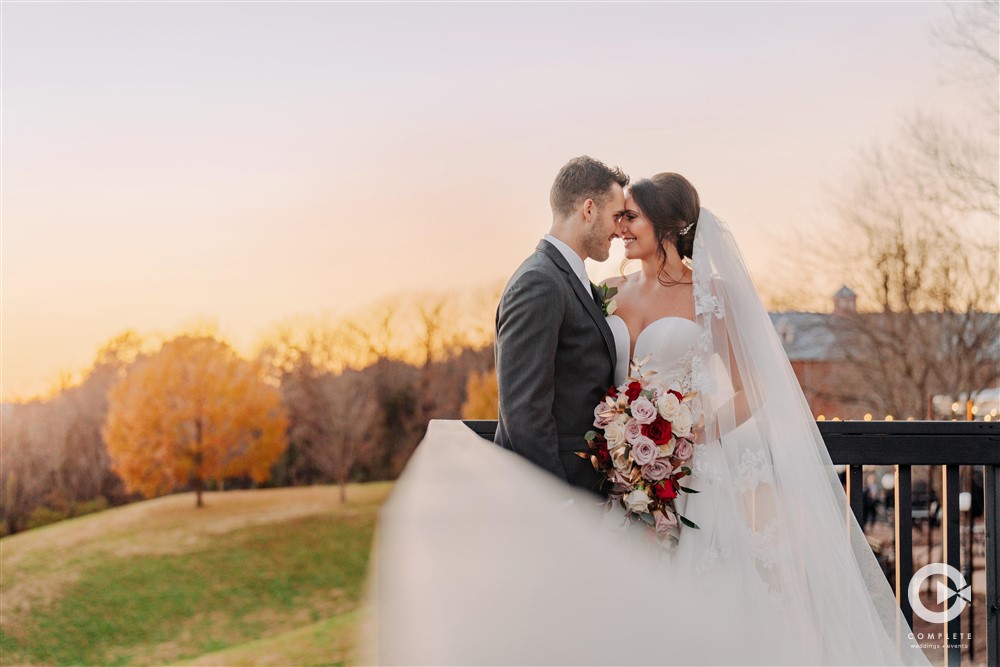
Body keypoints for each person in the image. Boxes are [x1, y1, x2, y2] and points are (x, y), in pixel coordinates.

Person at [364, 170, 931, 666]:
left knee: (708, 599)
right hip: (620, 478)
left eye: (631, 216)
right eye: (618, 215)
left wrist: (691, 433)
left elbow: (751, 390)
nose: (620, 228)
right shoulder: (605, 292)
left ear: (665, 226)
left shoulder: (712, 294)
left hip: (694, 477)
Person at [493, 155, 627, 492]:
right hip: (557, 493)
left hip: (585, 483)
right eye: (615, 216)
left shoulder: (572, 278)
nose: (620, 229)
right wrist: (559, 505)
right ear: (588, 210)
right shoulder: (539, 282)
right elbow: (524, 413)